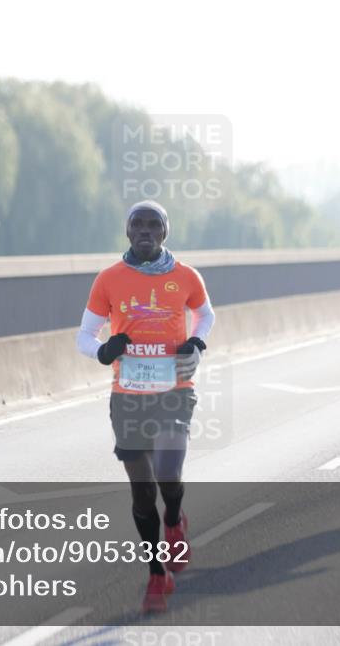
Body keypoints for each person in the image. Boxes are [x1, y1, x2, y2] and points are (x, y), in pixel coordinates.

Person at [76, 200, 215, 613]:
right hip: (128, 395)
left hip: (174, 388)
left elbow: (206, 315)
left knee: (168, 474)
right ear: (127, 231)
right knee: (141, 492)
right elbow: (84, 335)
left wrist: (197, 341)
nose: (145, 231)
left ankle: (174, 520)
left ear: (165, 232)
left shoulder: (186, 276)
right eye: (137, 224)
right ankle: (157, 574)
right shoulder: (109, 279)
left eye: (154, 225)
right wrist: (103, 351)